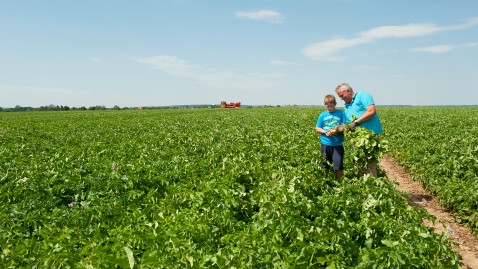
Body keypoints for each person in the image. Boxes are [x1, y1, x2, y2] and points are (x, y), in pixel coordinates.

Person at [335, 82, 383, 176]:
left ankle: (372, 184)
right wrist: (340, 128)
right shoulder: (346, 105)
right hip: (356, 136)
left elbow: (371, 111)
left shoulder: (363, 96)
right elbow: (349, 122)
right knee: (359, 159)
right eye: (339, 96)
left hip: (368, 134)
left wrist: (356, 122)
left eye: (342, 95)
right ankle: (363, 182)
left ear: (348, 91)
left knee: (369, 161)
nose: (341, 98)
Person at [315, 94, 346, 178]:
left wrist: (337, 131)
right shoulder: (322, 115)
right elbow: (317, 128)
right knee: (325, 165)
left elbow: (344, 126)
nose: (329, 108)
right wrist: (325, 132)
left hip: (337, 144)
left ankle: (339, 182)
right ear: (325, 105)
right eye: (327, 106)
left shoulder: (341, 113)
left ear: (335, 104)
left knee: (338, 165)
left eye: (331, 106)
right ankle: (326, 181)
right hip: (325, 143)